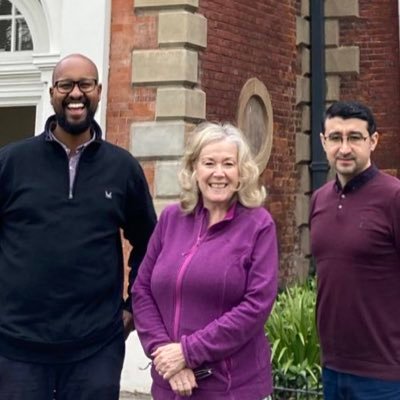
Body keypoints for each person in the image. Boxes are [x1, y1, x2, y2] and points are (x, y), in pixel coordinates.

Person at [0, 53, 157, 400]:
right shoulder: (11, 162)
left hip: (96, 347)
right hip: (16, 348)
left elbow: (150, 244)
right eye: (66, 85)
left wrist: (132, 307)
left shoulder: (122, 168)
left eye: (85, 84)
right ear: (52, 91)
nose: (76, 93)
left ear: (98, 91)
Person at [132, 122, 278, 399]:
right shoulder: (171, 219)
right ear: (194, 169)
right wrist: (169, 358)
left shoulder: (259, 225)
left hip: (231, 387)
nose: (218, 173)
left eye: (228, 164)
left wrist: (188, 352)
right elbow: (142, 290)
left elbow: (256, 306)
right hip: (170, 384)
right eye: (209, 163)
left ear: (241, 172)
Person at [310, 100, 400, 399]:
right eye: (335, 138)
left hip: (386, 373)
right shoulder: (319, 199)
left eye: (355, 137)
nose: (344, 148)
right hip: (332, 366)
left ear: (373, 141)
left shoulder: (394, 197)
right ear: (324, 142)